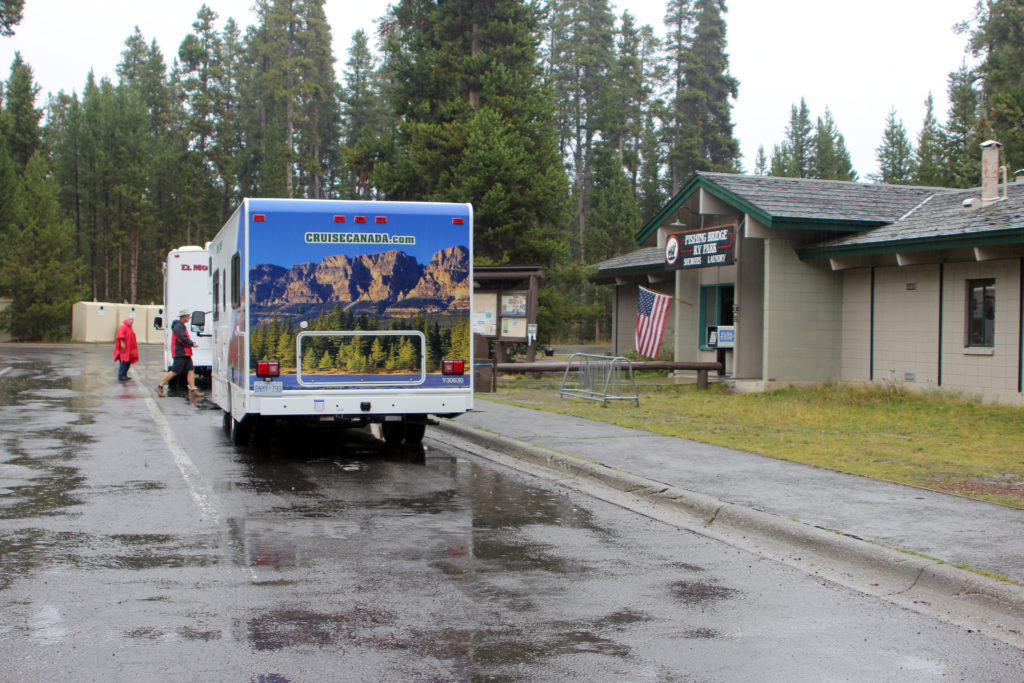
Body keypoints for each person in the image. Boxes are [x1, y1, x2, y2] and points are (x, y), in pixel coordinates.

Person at [156, 309, 201, 396]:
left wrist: (191, 343)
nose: (189, 318)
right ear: (183, 317)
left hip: (185, 353)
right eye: (188, 316)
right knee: (175, 371)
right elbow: (182, 339)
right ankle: (160, 386)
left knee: (191, 370)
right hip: (180, 353)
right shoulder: (178, 327)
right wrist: (192, 343)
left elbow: (184, 338)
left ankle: (192, 389)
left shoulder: (181, 326)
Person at [113, 314, 139, 381]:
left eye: (132, 319)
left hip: (128, 349)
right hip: (123, 350)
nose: (132, 321)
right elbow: (120, 335)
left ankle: (124, 375)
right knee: (123, 362)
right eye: (130, 319)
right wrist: (122, 343)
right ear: (127, 320)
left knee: (128, 363)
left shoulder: (130, 327)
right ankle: (121, 375)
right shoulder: (123, 327)